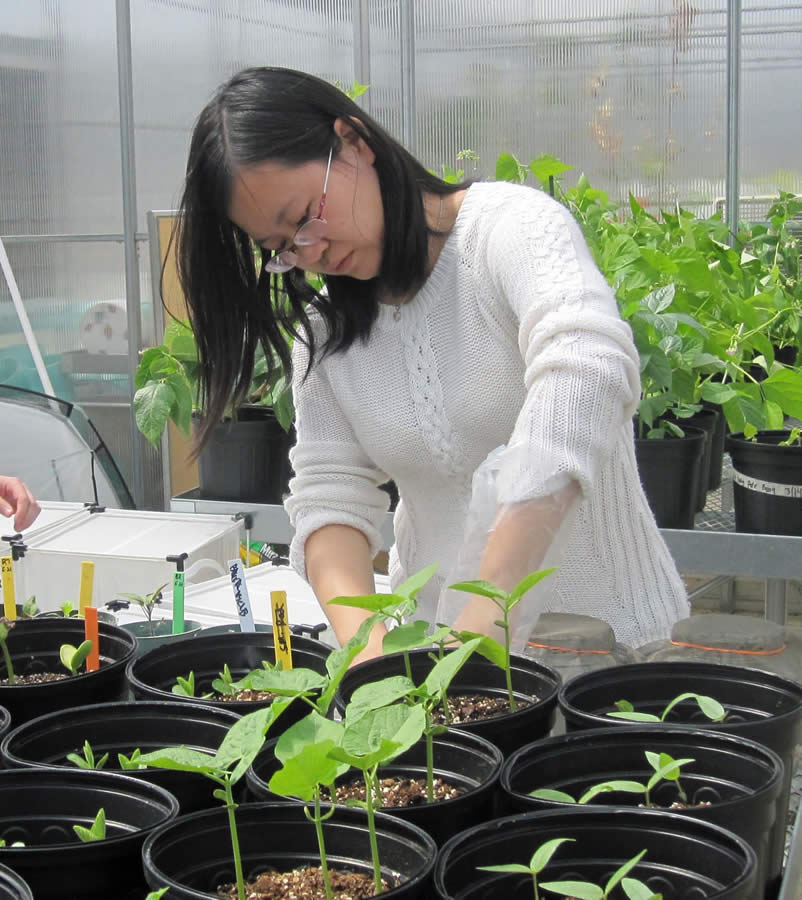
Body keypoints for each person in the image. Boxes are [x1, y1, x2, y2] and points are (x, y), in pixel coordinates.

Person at [174, 66, 689, 661]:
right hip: (440, 659)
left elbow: (585, 367)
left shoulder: (509, 230)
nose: (307, 251)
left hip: (605, 648)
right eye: (280, 248)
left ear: (354, 142)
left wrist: (485, 619)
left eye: (304, 216)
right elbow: (330, 499)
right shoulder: (325, 334)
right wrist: (368, 653)